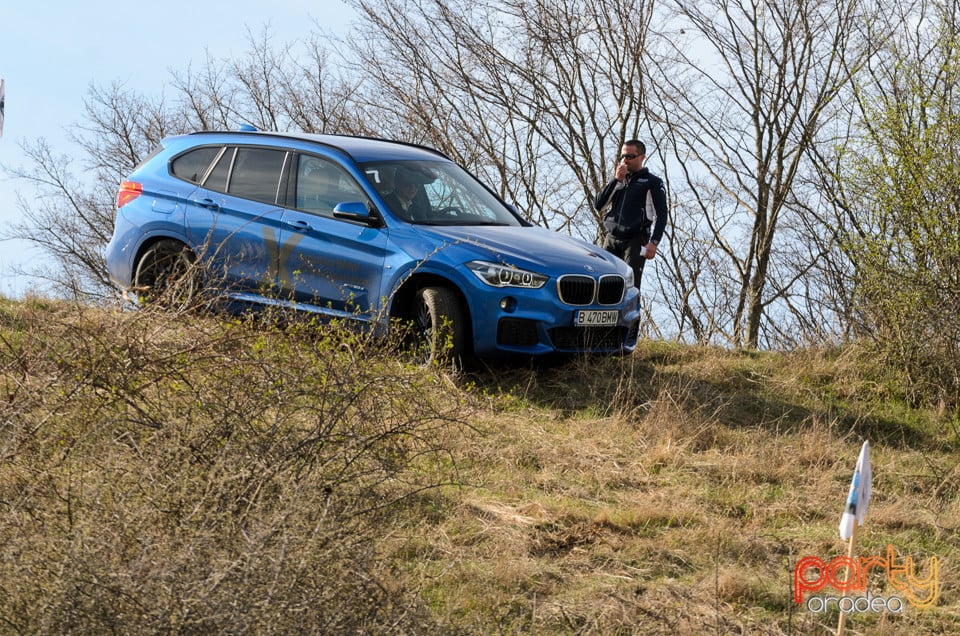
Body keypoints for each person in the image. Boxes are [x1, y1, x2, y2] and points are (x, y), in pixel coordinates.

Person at [593, 139, 668, 289]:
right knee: (604, 284)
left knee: (629, 286)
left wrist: (654, 243)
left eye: (629, 157)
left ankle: (631, 312)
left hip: (635, 240)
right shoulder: (619, 179)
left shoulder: (652, 182)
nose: (625, 160)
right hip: (611, 238)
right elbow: (599, 205)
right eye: (622, 156)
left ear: (641, 157)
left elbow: (662, 215)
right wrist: (616, 180)